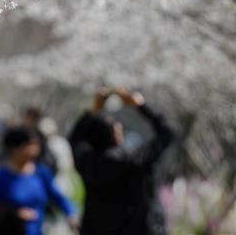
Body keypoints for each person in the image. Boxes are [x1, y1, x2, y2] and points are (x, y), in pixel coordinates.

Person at [68, 88, 175, 235]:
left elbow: (74, 139)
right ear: (117, 137)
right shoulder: (134, 161)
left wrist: (93, 109)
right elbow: (167, 133)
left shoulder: (87, 163)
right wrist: (140, 105)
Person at [0, 126, 78, 235]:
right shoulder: (0, 178)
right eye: (30, 145)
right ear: (15, 149)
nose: (35, 149)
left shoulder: (41, 173)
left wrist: (71, 214)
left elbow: (58, 197)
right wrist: (14, 214)